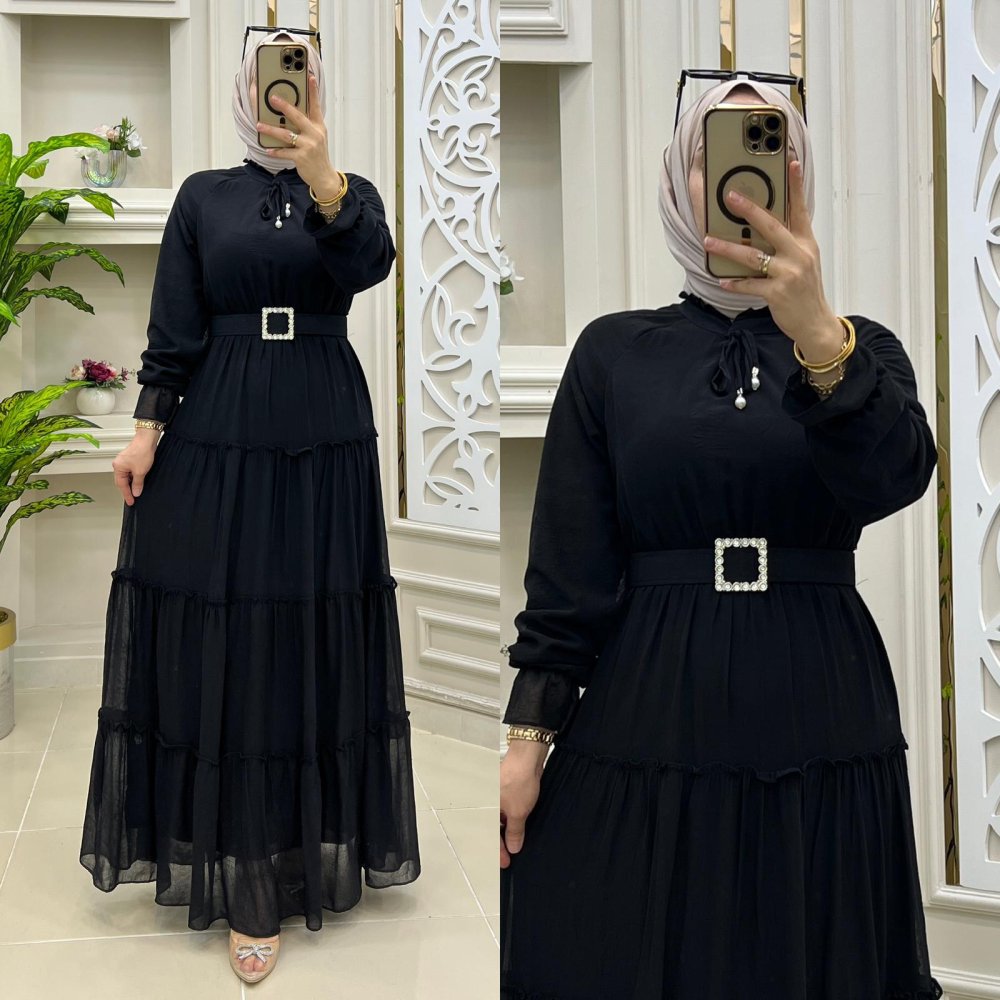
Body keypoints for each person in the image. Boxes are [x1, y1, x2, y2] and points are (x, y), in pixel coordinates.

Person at [498, 77, 944, 999]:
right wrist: (526, 740)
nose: (742, 179)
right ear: (678, 176)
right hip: (651, 692)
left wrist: (819, 336)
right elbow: (570, 565)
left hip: (818, 689)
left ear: (801, 174)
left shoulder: (861, 348)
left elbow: (894, 478)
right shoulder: (613, 351)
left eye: (772, 150)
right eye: (715, 153)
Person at [78, 29, 421, 985]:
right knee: (227, 633)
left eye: (302, 79)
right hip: (220, 424)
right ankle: (239, 868)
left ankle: (301, 842)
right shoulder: (202, 196)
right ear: (245, 88)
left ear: (320, 91)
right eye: (272, 79)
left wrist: (324, 179)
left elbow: (370, 264)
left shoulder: (349, 194)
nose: (285, 94)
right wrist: (145, 429)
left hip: (323, 427)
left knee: (308, 627)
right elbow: (173, 326)